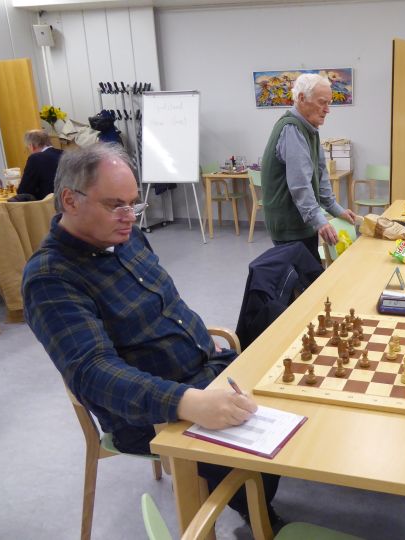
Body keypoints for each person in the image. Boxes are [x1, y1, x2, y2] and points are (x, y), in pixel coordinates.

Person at [22, 143, 281, 526]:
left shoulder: (126, 237)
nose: (130, 217)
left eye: (134, 204)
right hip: (145, 414)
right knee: (253, 452)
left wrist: (199, 340)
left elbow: (167, 304)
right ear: (70, 201)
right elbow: (93, 373)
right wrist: (187, 402)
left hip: (205, 369)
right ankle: (259, 517)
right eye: (116, 205)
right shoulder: (50, 278)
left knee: (286, 396)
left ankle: (259, 493)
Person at [261, 73, 356, 263]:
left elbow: (320, 174)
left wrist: (336, 209)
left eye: (329, 103)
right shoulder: (292, 129)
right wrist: (320, 221)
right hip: (290, 226)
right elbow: (300, 185)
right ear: (302, 98)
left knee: (311, 274)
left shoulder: (310, 129)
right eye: (322, 103)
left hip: (302, 222)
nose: (327, 110)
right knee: (304, 278)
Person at [17, 129, 63, 200]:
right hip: (69, 201)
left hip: (49, 203)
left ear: (32, 146)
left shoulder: (35, 158)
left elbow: (23, 191)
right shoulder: (65, 153)